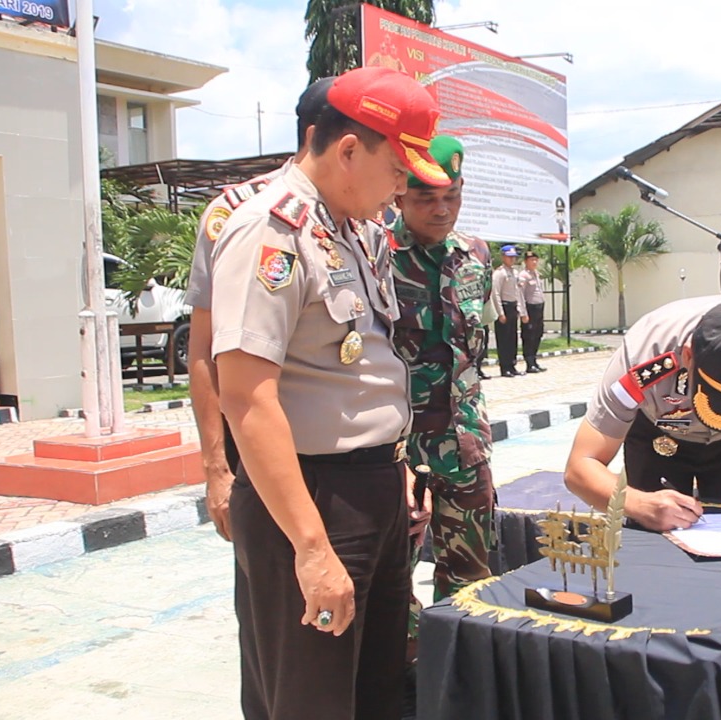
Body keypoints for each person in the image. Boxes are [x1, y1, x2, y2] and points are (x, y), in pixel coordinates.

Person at [210, 66, 449, 720]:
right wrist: (313, 550)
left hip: (371, 493)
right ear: (348, 150)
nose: (403, 187)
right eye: (398, 170)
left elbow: (362, 371)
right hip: (308, 502)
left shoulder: (355, 233)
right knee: (311, 702)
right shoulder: (270, 231)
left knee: (376, 695)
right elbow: (247, 399)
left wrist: (391, 468)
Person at [185, 76, 333, 542]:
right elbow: (204, 351)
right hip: (269, 457)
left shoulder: (363, 221)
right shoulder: (241, 213)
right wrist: (216, 469)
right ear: (318, 137)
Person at [564, 295, 721, 531]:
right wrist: (638, 503)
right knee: (653, 536)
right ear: (688, 356)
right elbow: (580, 466)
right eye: (719, 399)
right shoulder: (642, 358)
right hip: (658, 439)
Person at [388, 133, 495, 655]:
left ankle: (459, 677)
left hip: (463, 444)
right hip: (395, 449)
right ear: (399, 196)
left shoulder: (475, 254)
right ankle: (407, 678)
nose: (440, 208)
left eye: (450, 195)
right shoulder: (375, 253)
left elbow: (473, 353)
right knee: (391, 579)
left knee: (472, 576)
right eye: (425, 198)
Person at [490, 244, 527, 377]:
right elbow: (496, 293)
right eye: (509, 257)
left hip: (513, 307)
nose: (512, 260)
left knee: (513, 338)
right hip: (504, 307)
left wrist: (521, 311)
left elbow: (518, 293)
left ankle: (512, 365)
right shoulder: (499, 273)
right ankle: (504, 367)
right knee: (504, 339)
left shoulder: (514, 273)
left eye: (514, 257)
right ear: (503, 257)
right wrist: (500, 312)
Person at [519, 250, 547, 373]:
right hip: (530, 308)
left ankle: (534, 360)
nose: (534, 262)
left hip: (539, 308)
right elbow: (520, 295)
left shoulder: (536, 274)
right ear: (526, 262)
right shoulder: (523, 276)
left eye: (536, 259)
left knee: (537, 334)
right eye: (531, 260)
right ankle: (529, 363)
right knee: (529, 336)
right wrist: (523, 313)